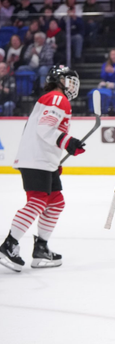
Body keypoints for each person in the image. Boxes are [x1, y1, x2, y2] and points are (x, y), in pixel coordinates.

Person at [0, 66, 84, 273]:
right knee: (38, 201)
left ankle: (41, 249)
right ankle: (9, 245)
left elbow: (45, 132)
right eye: (68, 80)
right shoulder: (57, 98)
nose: (72, 85)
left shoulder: (53, 98)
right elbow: (46, 128)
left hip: (43, 160)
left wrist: (56, 161)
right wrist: (68, 141)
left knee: (55, 202)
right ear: (58, 80)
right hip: (36, 160)